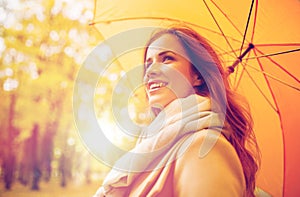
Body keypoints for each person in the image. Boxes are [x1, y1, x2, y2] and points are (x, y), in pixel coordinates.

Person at [94, 26, 260, 197]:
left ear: (197, 76)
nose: (150, 71)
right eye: (148, 63)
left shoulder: (205, 147)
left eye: (167, 59)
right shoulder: (151, 148)